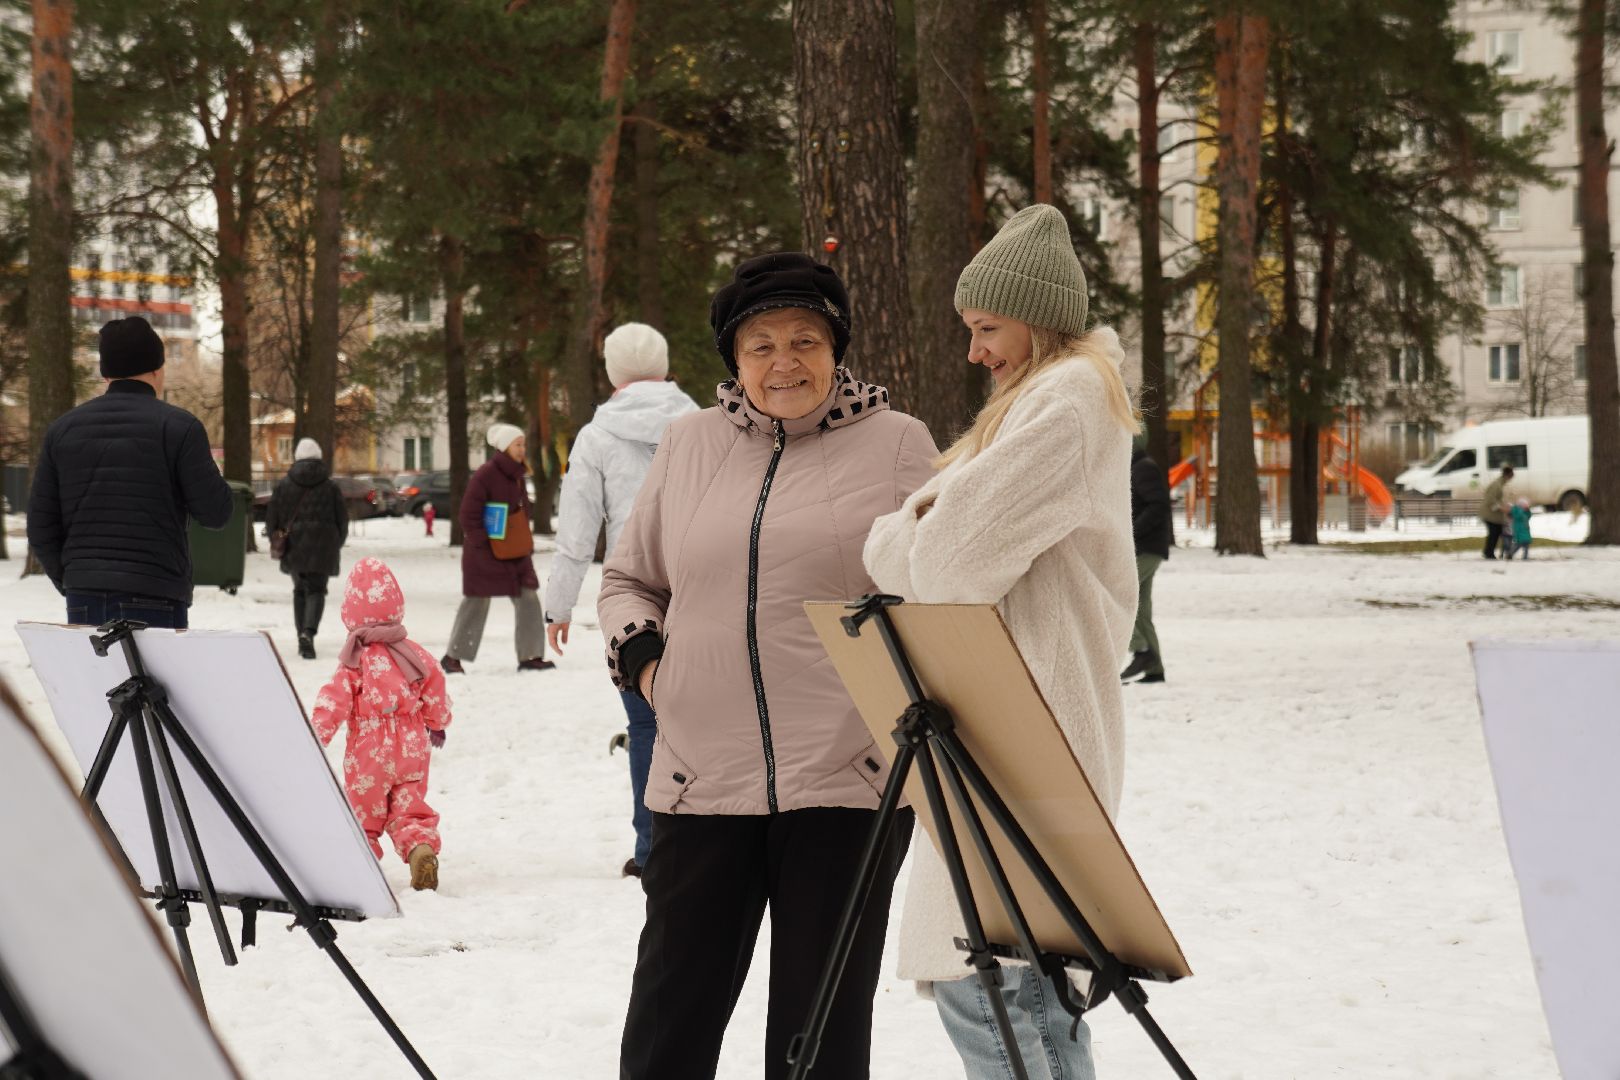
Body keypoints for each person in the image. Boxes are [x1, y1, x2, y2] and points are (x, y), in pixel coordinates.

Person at [599, 252, 938, 1080]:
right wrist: (649, 670)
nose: (784, 362)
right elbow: (629, 578)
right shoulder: (690, 444)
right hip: (699, 778)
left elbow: (938, 588)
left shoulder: (898, 444)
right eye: (761, 345)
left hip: (846, 781)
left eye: (805, 340)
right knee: (668, 1027)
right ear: (733, 358)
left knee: (817, 1039)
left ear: (837, 348)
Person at [864, 204, 1139, 1080]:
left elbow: (946, 560)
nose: (976, 352)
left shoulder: (1064, 400)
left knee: (1006, 990)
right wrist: (923, 527)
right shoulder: (1047, 399)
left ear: (1037, 318)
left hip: (1028, 726)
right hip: (1009, 718)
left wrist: (902, 529)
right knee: (1007, 987)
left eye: (987, 329)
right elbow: (943, 549)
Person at [543, 322, 699, 879]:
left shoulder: (596, 436)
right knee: (709, 718)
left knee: (647, 724)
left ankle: (653, 846)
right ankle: (705, 838)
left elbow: (578, 530)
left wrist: (557, 606)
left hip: (634, 594)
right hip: (704, 582)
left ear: (612, 372)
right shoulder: (703, 422)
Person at [27, 316, 233, 629]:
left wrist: (73, 579)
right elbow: (216, 513)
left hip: (85, 595)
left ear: (106, 372)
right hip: (157, 591)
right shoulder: (180, 428)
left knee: (97, 680)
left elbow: (41, 526)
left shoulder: (62, 431)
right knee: (154, 680)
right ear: (156, 368)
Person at [311, 557, 451, 891]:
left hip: (369, 750)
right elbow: (436, 688)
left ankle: (360, 869)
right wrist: (437, 721)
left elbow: (334, 700)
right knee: (409, 807)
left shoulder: (356, 660)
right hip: (412, 746)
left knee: (365, 812)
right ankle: (420, 848)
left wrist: (316, 735)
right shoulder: (414, 653)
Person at [441, 424, 552, 674]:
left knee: (529, 598)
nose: (522, 449)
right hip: (485, 554)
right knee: (476, 603)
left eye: (523, 444)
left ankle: (530, 655)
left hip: (515, 552)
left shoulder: (517, 475)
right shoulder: (485, 474)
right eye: (518, 444)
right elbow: (468, 514)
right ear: (504, 447)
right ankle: (452, 657)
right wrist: (485, 543)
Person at [265, 437, 348, 659]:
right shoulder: (330, 487)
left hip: (294, 547)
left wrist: (276, 537)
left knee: (300, 589)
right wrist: (335, 543)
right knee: (317, 590)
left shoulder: (284, 485)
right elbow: (343, 520)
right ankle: (308, 634)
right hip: (324, 548)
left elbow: (272, 518)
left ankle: (301, 633)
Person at [1123, 443, 1172, 684]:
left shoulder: (1142, 469)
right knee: (1141, 609)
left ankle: (1142, 650)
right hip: (1148, 547)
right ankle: (1155, 669)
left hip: (1147, 549)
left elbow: (1159, 504)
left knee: (1117, 591)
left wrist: (1133, 530)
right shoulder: (1138, 467)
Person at [1480, 466, 1514, 560]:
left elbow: (1497, 499)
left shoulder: (1500, 484)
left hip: (1493, 515)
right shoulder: (1497, 485)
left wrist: (1503, 505)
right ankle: (1488, 553)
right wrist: (1502, 508)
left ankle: (1488, 552)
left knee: (1496, 532)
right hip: (1490, 514)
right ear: (1508, 475)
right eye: (1511, 476)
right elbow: (1491, 500)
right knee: (1494, 533)